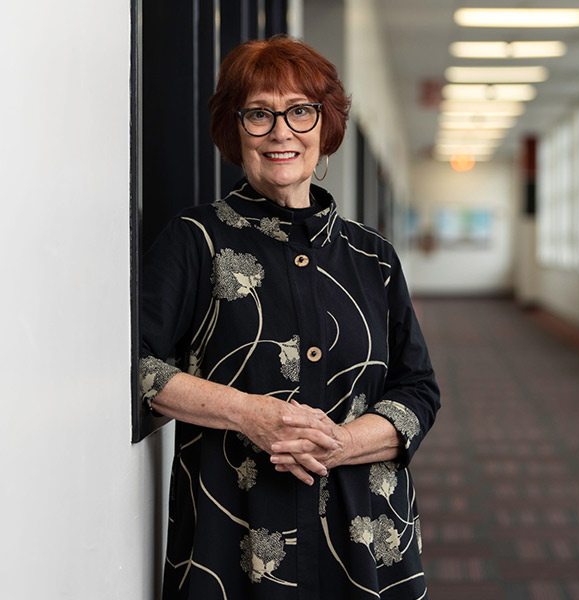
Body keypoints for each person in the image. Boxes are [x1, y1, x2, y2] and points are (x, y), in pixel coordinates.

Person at [140, 35, 440, 600]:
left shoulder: (373, 258)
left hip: (367, 537)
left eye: (300, 111)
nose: (282, 131)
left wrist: (342, 444)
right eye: (259, 113)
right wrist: (251, 413)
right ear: (235, 130)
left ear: (326, 127)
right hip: (236, 537)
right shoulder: (194, 241)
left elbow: (417, 391)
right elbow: (135, 367)